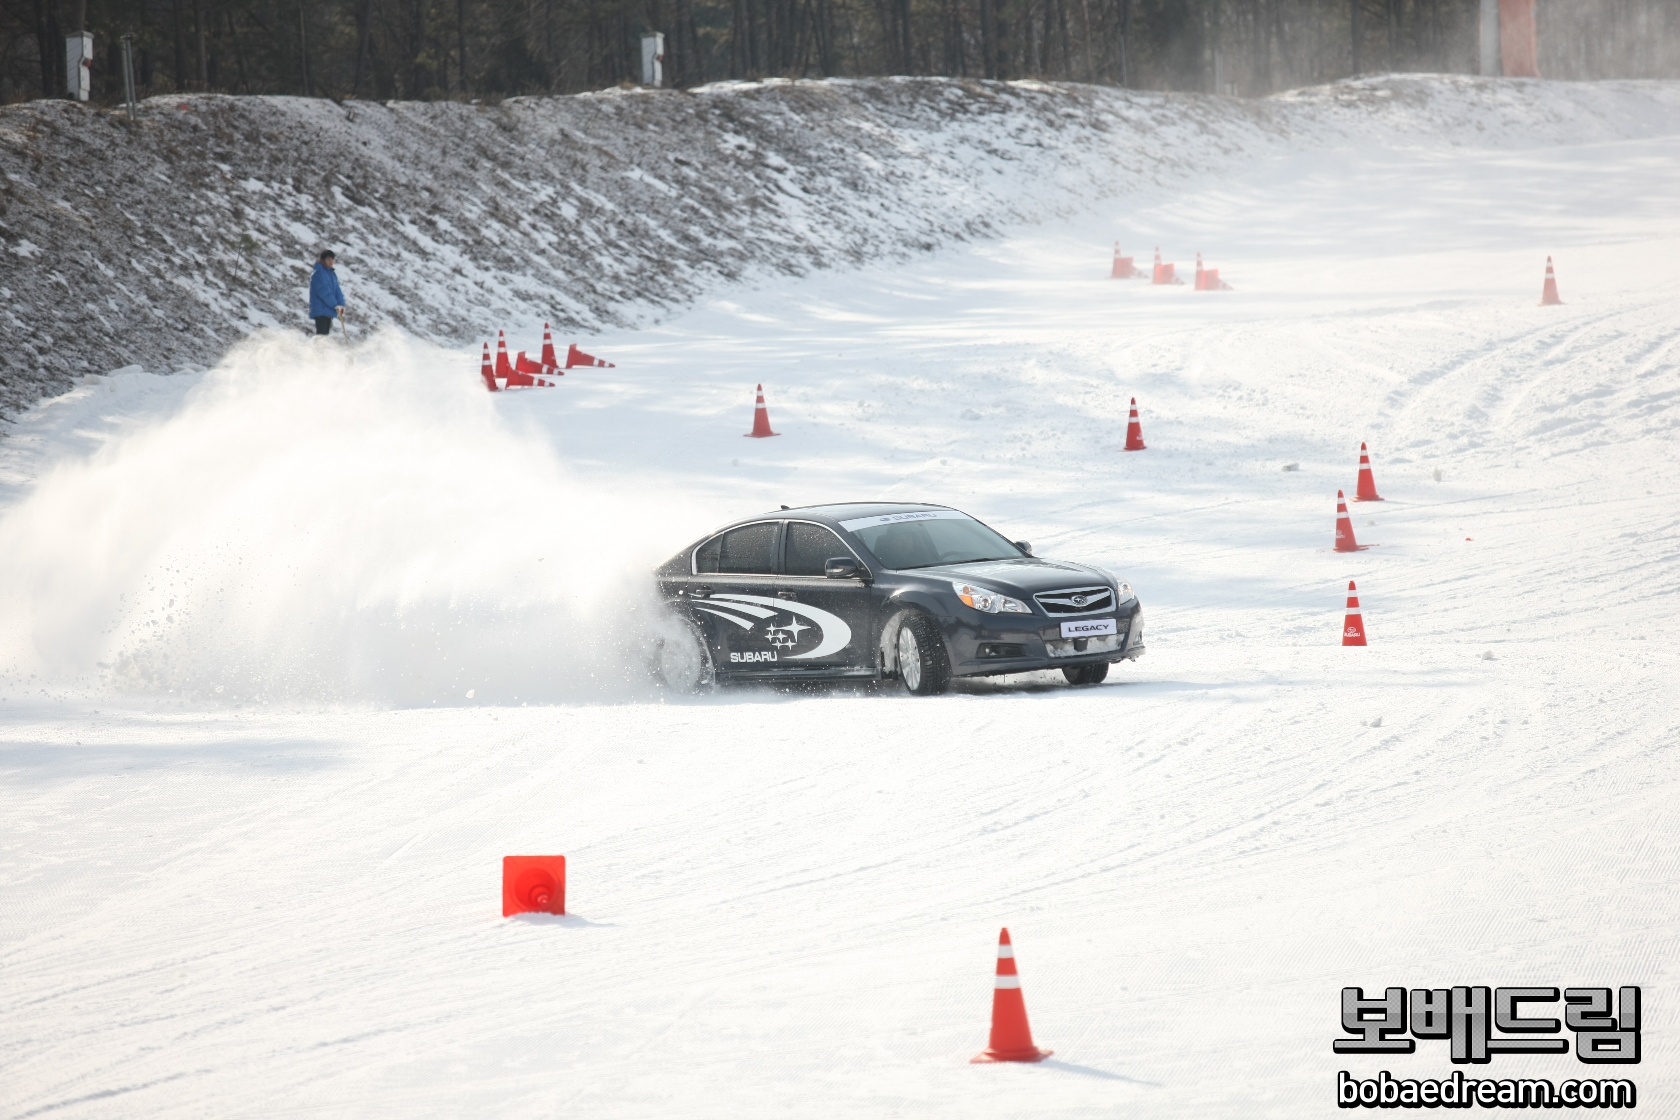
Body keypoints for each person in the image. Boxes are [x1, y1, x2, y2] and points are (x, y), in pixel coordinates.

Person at [309, 250, 346, 336]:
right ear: (322, 260)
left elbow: (337, 290)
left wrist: (341, 304)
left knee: (325, 335)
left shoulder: (331, 274)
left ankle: (321, 349)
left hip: (328, 310)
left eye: (332, 259)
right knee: (321, 335)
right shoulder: (318, 274)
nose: (331, 262)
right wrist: (335, 305)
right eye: (328, 259)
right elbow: (324, 292)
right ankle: (316, 349)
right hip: (321, 310)